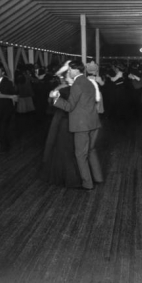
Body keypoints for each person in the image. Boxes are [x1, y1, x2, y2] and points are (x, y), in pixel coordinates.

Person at [51, 60, 103, 191]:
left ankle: (87, 184)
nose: (68, 72)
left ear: (76, 70)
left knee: (80, 155)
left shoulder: (77, 85)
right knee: (91, 151)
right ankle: (98, 178)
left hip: (82, 125)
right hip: (93, 122)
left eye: (69, 70)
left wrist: (56, 99)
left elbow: (69, 107)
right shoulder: (89, 82)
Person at [41, 68, 81, 188]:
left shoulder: (63, 89)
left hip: (63, 120)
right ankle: (72, 177)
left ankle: (67, 177)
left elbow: (51, 102)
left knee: (63, 148)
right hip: (68, 121)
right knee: (69, 148)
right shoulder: (76, 88)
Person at [0, 66, 17, 154]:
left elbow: (13, 93)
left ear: (3, 73)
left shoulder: (8, 82)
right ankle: (5, 145)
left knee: (3, 127)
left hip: (6, 108)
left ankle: (4, 148)